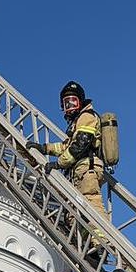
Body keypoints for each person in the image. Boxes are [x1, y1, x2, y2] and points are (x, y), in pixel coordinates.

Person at [27, 80, 108, 253]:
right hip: (79, 171)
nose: (69, 106)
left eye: (73, 101)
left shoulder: (87, 117)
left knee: (91, 202)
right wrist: (44, 148)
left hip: (88, 169)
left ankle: (101, 241)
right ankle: (89, 244)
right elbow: (66, 146)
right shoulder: (77, 122)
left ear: (81, 101)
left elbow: (80, 145)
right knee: (74, 212)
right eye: (66, 103)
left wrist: (59, 163)